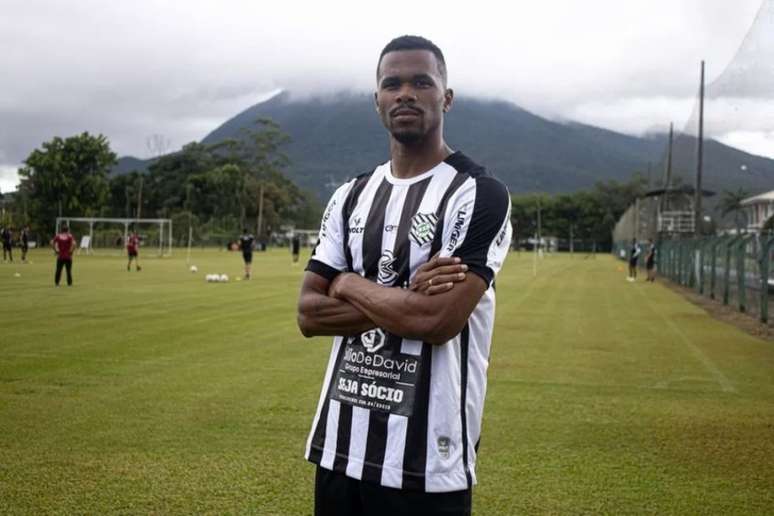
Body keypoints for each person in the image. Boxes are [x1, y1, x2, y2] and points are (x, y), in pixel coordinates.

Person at [297, 35, 512, 516]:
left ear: (446, 97)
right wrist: (403, 296)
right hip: (339, 449)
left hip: (426, 465)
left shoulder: (478, 193)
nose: (405, 94)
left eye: (421, 82)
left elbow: (436, 321)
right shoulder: (350, 195)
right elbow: (308, 313)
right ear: (377, 100)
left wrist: (347, 281)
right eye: (391, 84)